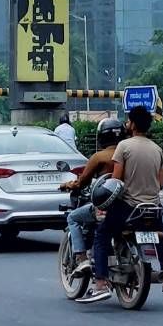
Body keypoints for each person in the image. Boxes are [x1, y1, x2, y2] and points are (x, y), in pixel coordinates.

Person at [80, 105, 163, 302]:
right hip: (153, 209)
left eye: (128, 121)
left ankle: (100, 283)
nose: (127, 124)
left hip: (128, 208)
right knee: (162, 237)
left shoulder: (124, 147)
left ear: (133, 124)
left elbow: (115, 182)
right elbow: (161, 184)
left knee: (101, 234)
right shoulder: (157, 149)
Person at [60, 116, 123, 277]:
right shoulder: (128, 154)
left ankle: (81, 258)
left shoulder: (99, 157)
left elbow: (81, 182)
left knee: (73, 218)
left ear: (101, 136)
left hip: (105, 204)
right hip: (127, 204)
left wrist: (67, 185)